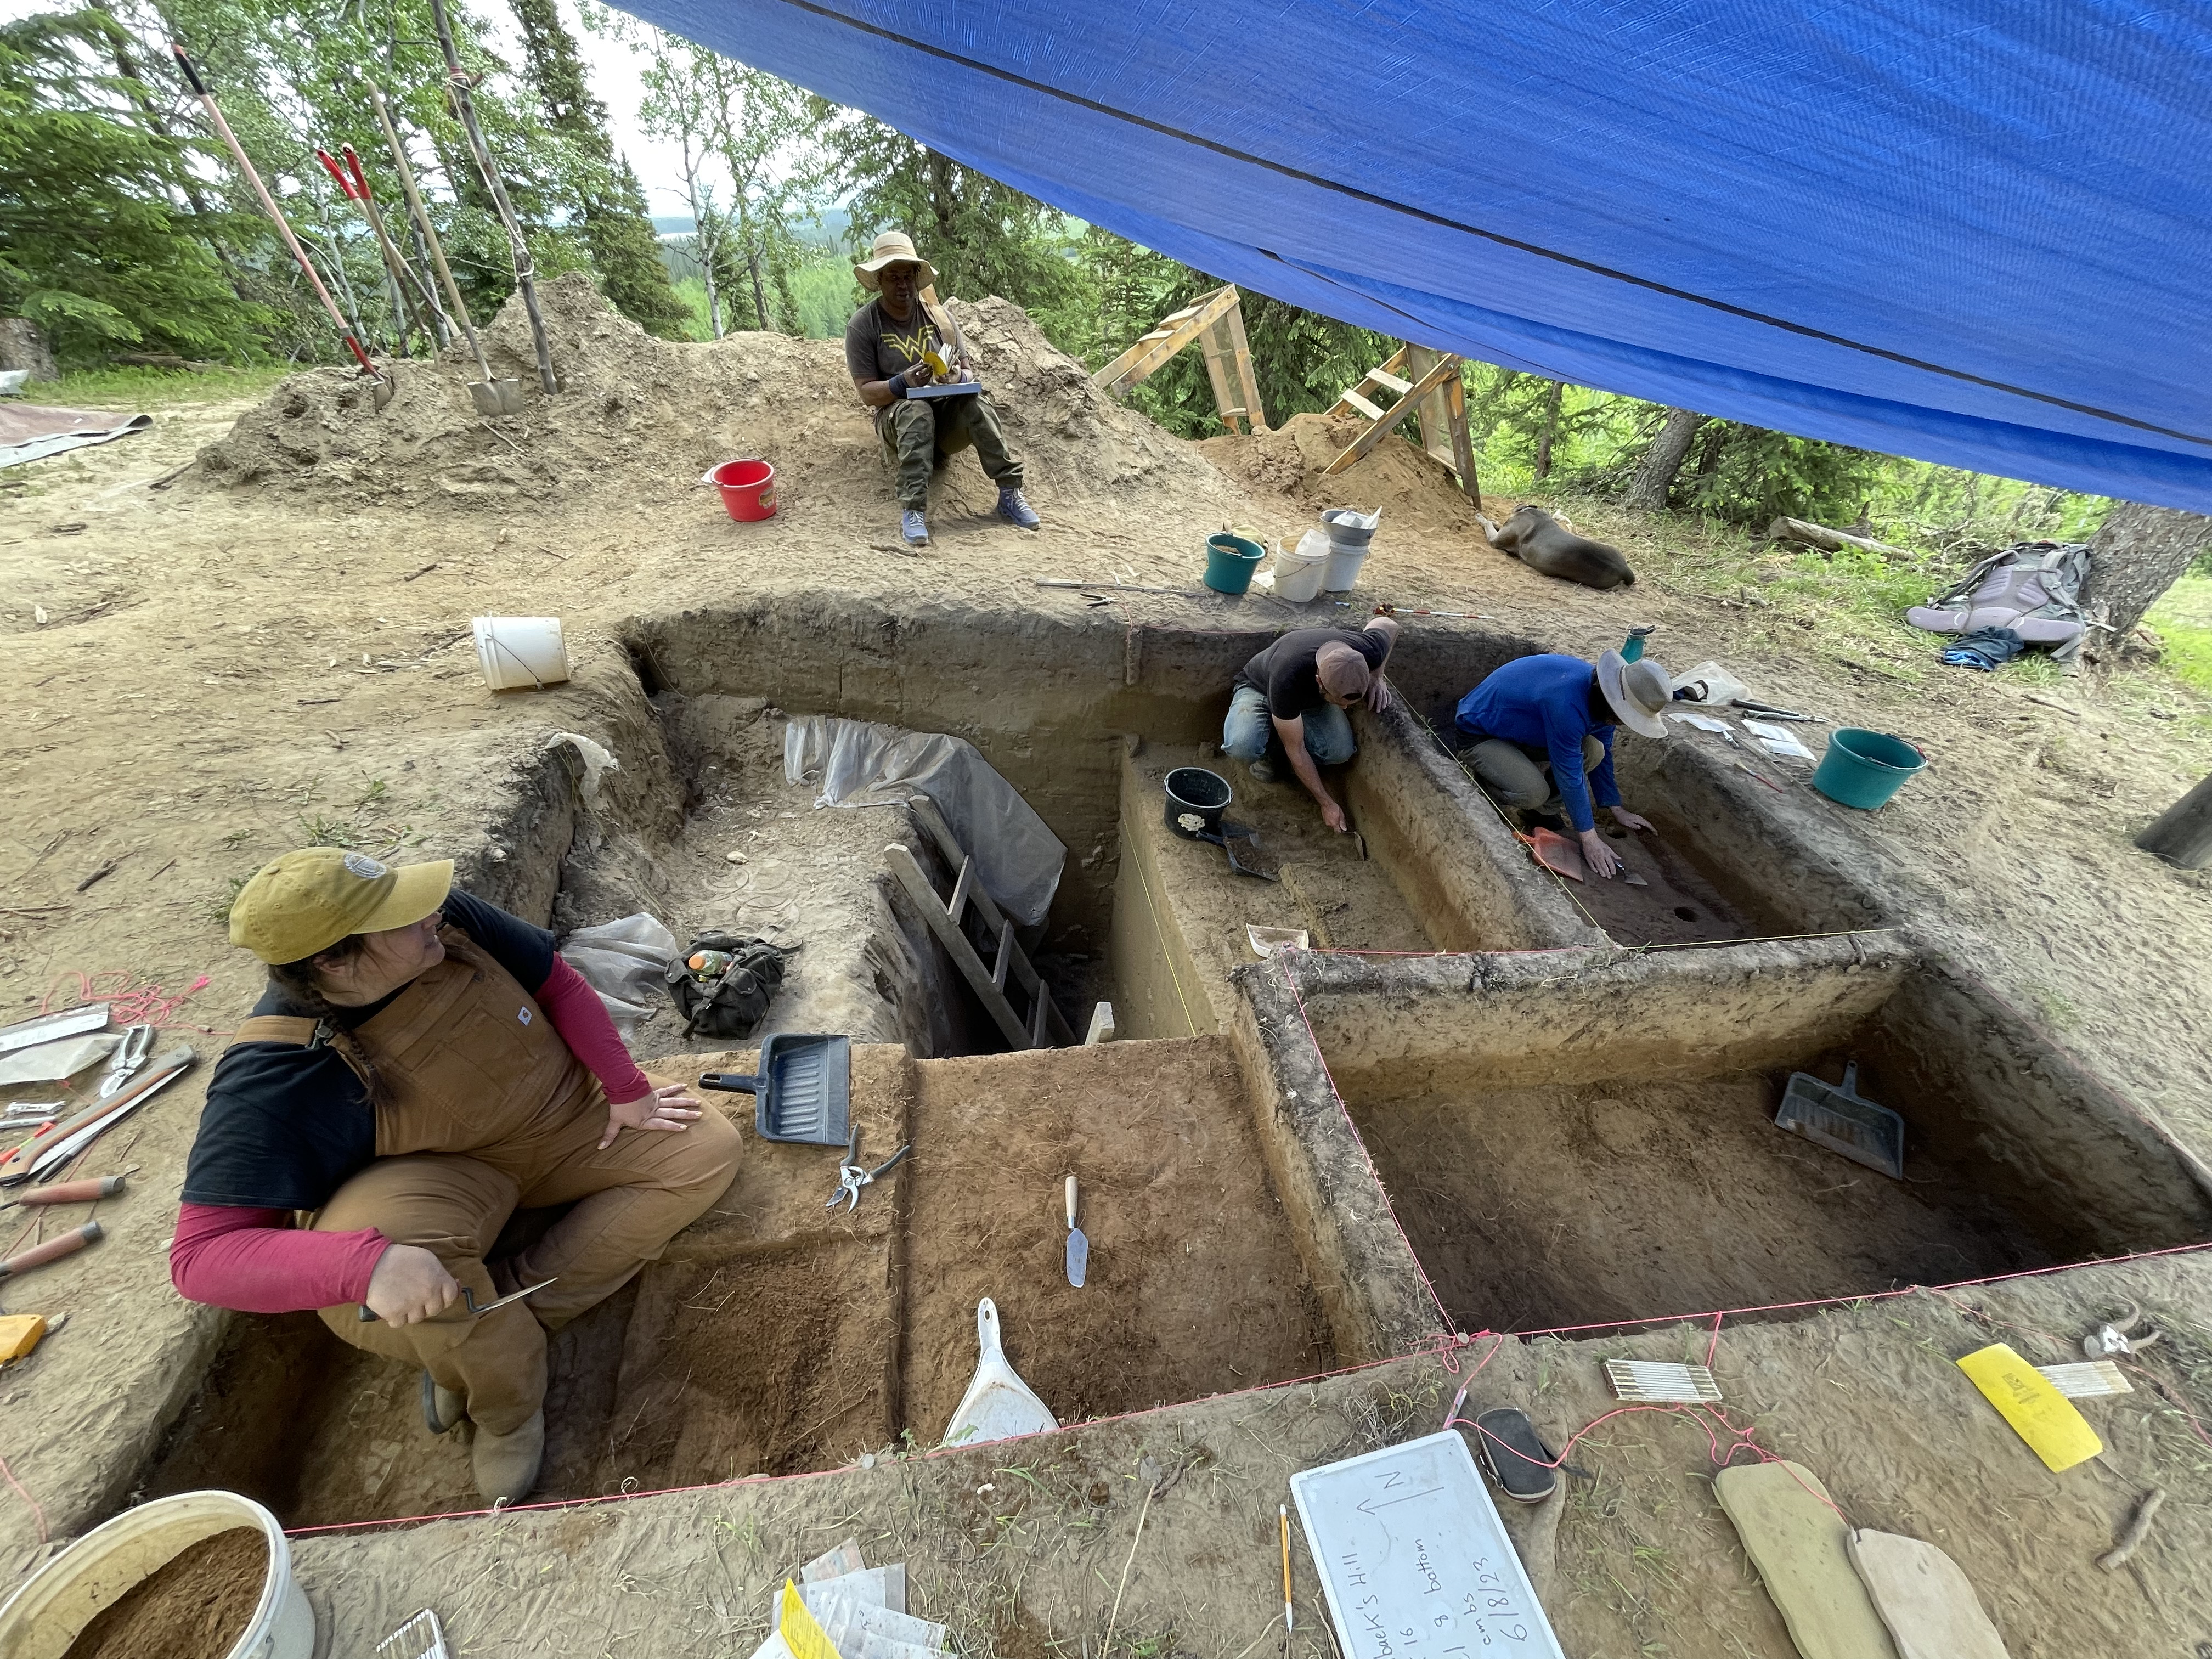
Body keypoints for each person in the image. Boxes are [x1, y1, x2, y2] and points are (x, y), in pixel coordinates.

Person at [170, 849, 742, 1504]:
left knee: (705, 1149)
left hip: (564, 1112)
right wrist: (367, 1266)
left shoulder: (447, 925)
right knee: (379, 1286)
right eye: (400, 919)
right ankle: (508, 1405)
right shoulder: (276, 1071)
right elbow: (201, 1257)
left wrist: (625, 1087)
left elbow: (556, 981)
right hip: (443, 1174)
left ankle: (503, 1325)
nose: (430, 915)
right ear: (332, 961)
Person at [845, 229, 1039, 549]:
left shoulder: (941, 319)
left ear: (917, 278)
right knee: (915, 409)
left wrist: (956, 379)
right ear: (879, 279)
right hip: (899, 419)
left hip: (945, 419)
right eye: (893, 276)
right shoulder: (865, 325)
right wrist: (902, 382)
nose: (902, 284)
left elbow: (967, 368)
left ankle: (1010, 493)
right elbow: (867, 393)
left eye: (908, 276)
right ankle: (913, 508)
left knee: (976, 403)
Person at [1453, 650, 1673, 878]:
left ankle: (1540, 814)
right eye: (1622, 716)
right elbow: (1569, 775)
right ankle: (1487, 781)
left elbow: (1603, 754)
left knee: (1594, 751)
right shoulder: (1566, 703)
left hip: (1523, 729)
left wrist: (1616, 808)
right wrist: (1590, 839)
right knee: (1533, 793)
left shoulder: (1606, 698)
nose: (1620, 723)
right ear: (1611, 700)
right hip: (1480, 732)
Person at [1222, 617, 1400, 831]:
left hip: (1309, 701)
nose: (1344, 709)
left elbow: (1388, 625)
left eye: (1348, 704)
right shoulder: (1287, 676)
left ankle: (1289, 726)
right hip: (1260, 688)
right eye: (1339, 702)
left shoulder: (1369, 650)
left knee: (1340, 752)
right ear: (1319, 681)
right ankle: (1273, 750)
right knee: (1243, 745)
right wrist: (1326, 802)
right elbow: (1296, 750)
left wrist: (1377, 676)